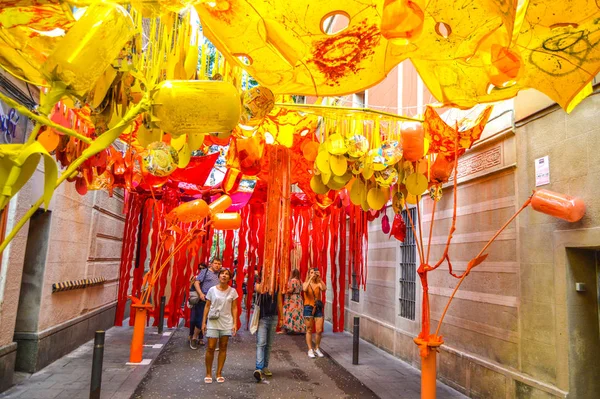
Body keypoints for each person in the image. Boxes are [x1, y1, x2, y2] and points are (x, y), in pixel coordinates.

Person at [202, 268, 238, 384]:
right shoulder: (212, 290)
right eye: (222, 273)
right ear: (218, 276)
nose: (224, 276)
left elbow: (234, 307)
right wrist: (204, 322)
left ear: (229, 278)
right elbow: (207, 306)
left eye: (227, 274)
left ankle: (219, 373)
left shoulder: (233, 291)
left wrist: (235, 323)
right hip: (213, 321)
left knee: (223, 347)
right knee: (211, 347)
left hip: (226, 322)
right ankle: (208, 373)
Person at [253, 276, 282, 382]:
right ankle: (259, 368)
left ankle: (265, 366)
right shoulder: (258, 283)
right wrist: (266, 280)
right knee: (261, 343)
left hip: (273, 317)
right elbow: (259, 289)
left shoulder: (277, 286)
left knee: (269, 344)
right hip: (262, 317)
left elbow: (279, 301)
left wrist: (281, 317)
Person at [189, 258, 222, 349]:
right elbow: (196, 282)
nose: (217, 265)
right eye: (215, 263)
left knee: (215, 321)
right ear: (211, 264)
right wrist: (200, 294)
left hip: (216, 301)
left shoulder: (220, 274)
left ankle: (213, 342)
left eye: (219, 264)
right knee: (200, 320)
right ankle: (194, 338)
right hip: (204, 299)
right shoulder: (205, 271)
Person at [303, 267, 326, 358]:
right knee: (309, 329)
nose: (313, 274)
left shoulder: (318, 283)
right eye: (311, 272)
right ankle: (310, 349)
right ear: (308, 274)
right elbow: (304, 289)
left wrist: (320, 278)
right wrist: (310, 279)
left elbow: (324, 289)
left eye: (314, 273)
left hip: (318, 308)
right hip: (308, 307)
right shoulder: (306, 283)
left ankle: (317, 348)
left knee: (319, 330)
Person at [281, 269, 305, 335]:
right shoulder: (300, 281)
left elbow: (291, 290)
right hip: (298, 298)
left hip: (292, 298)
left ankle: (291, 328)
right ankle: (299, 328)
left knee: (291, 313)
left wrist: (284, 291)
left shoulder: (293, 280)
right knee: (298, 313)